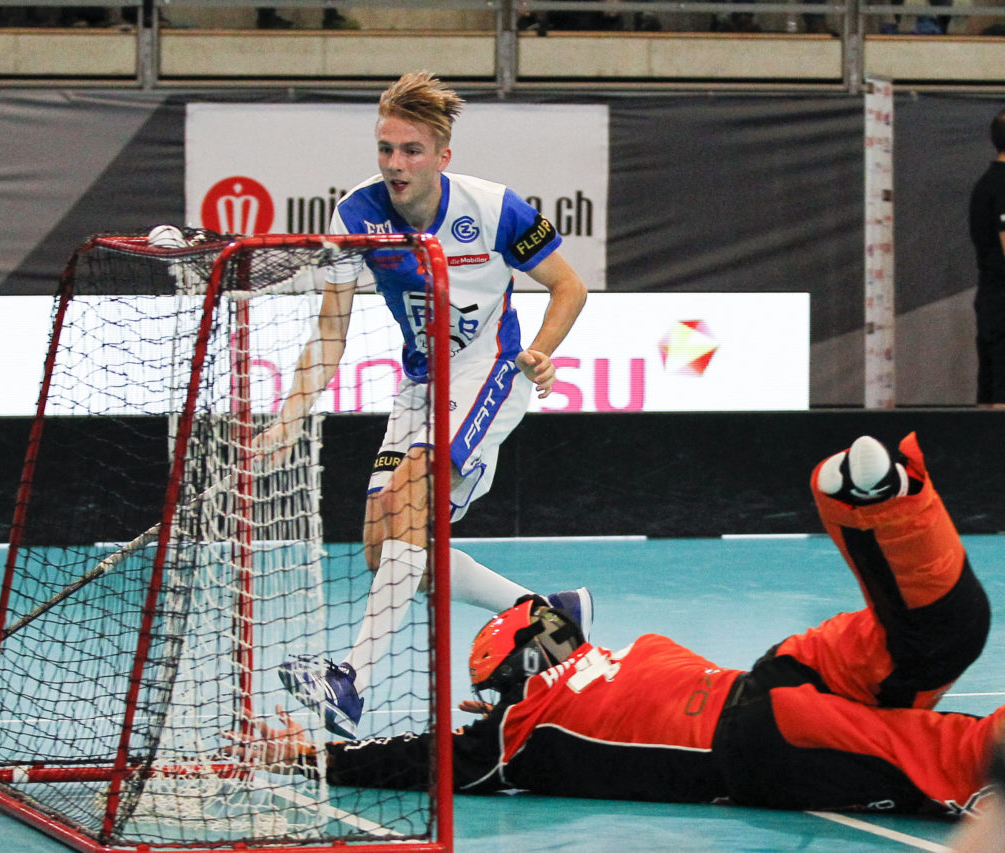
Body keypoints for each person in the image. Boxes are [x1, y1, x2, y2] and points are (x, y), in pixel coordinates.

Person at [230, 433, 1004, 819]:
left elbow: (417, 755)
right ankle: (876, 500)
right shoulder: (599, 673)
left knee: (955, 728)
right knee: (937, 638)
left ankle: (878, 500)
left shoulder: (522, 730)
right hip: (772, 687)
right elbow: (453, 739)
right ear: (550, 648)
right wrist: (512, 708)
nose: (568, 632)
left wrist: (311, 754)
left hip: (762, 729)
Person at [257, 70, 589, 740]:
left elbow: (568, 286)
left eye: (411, 150)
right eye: (386, 149)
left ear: (442, 154)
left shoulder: (496, 209)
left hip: (490, 373)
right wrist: (286, 420)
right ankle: (549, 618)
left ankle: (349, 681)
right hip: (420, 385)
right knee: (384, 547)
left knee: (410, 500)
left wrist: (542, 351)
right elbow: (330, 332)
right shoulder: (357, 214)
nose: (396, 164)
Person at [969, 107, 1005, 407]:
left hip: (991, 304)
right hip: (1001, 306)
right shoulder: (1001, 185)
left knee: (990, 389)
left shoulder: (986, 183)